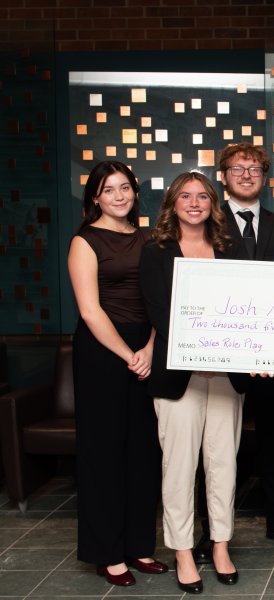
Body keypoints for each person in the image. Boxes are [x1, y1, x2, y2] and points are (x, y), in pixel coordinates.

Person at [191, 143, 274, 565]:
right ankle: (211, 532)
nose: (247, 174)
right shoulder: (206, 226)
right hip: (221, 359)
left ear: (265, 176)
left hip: (273, 358)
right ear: (223, 175)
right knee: (216, 449)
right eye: (238, 168)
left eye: (255, 168)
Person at [139, 172, 248, 594]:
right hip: (177, 376)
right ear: (173, 203)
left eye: (203, 196)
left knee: (223, 465)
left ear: (213, 203)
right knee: (179, 467)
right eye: (186, 196)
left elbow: (245, 307)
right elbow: (159, 313)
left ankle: (220, 545)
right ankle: (183, 551)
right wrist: (201, 350)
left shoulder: (229, 247)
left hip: (225, 375)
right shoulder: (156, 251)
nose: (195, 202)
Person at [68, 161, 167, 587]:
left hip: (146, 346)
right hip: (102, 351)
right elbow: (90, 311)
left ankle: (140, 546)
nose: (120, 196)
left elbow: (161, 300)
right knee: (104, 453)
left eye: (125, 187)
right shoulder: (84, 241)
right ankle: (108, 553)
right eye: (109, 190)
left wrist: (148, 348)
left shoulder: (150, 238)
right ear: (95, 197)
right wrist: (129, 353)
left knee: (144, 453)